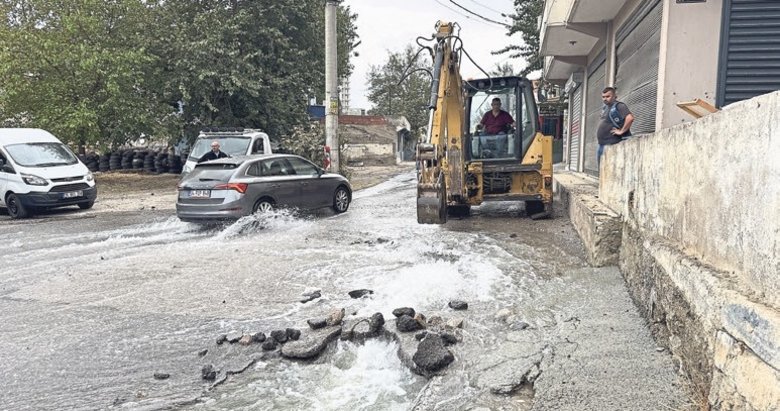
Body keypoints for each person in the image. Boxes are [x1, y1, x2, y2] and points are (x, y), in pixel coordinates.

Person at [597, 87, 634, 165]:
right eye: (603, 97)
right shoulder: (605, 108)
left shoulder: (619, 106)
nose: (605, 99)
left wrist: (621, 131)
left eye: (608, 96)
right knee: (602, 170)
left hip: (612, 145)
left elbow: (630, 118)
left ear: (614, 96)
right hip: (602, 145)